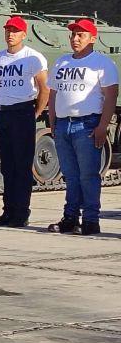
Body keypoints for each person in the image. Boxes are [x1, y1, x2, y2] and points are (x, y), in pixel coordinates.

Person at [46, 18, 117, 236]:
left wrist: (103, 126)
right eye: (73, 34)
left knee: (88, 175)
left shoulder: (102, 63)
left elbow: (111, 96)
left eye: (81, 35)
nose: (75, 39)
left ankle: (90, 220)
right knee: (70, 175)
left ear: (93, 38)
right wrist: (53, 121)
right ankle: (70, 217)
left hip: (87, 124)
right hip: (63, 124)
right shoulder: (61, 62)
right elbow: (53, 94)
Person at [0, 16, 48, 228]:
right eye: (8, 30)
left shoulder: (33, 57)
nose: (10, 34)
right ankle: (8, 210)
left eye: (15, 31)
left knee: (22, 166)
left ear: (24, 34)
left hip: (23, 111)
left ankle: (21, 212)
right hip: (3, 112)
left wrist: (35, 113)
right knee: (7, 165)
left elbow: (44, 87)